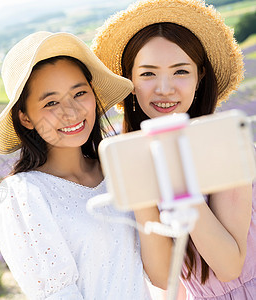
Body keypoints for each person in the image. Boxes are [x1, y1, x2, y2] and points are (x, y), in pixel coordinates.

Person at [0, 31, 172, 299]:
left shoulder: (120, 170)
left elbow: (162, 276)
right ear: (25, 118)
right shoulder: (22, 194)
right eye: (51, 102)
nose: (71, 111)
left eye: (79, 93)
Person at [92, 0, 255, 299]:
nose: (164, 88)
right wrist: (142, 187)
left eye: (180, 71)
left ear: (199, 76)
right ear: (130, 81)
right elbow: (164, 276)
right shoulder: (133, 156)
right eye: (148, 74)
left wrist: (176, 177)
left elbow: (229, 267)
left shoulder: (226, 145)